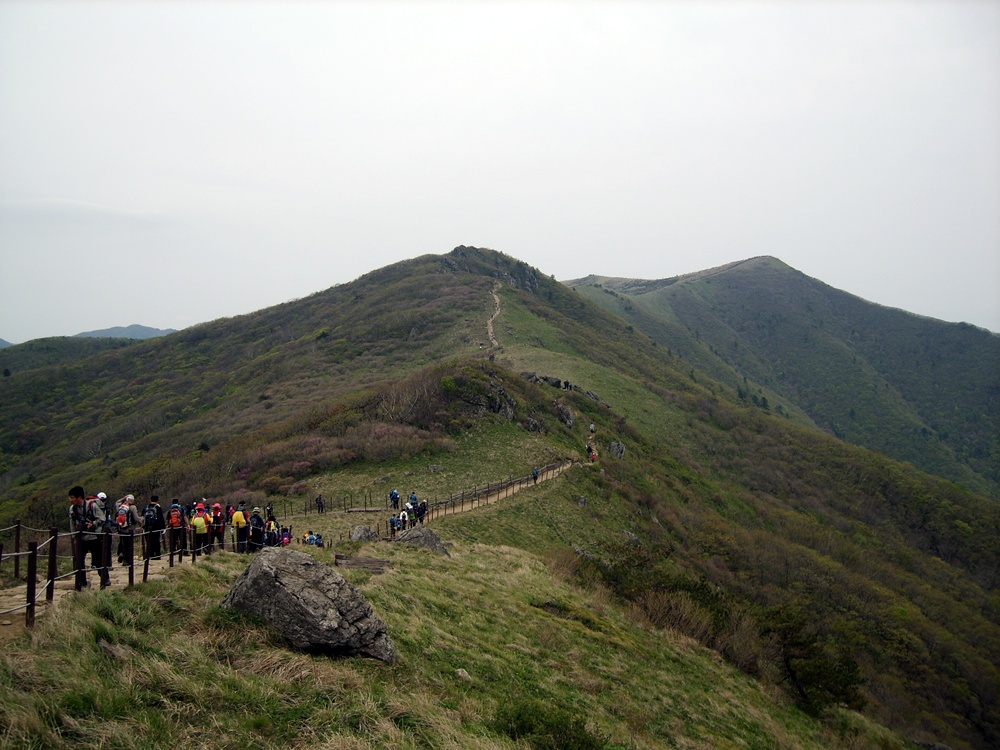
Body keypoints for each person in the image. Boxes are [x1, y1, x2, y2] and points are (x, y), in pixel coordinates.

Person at [68, 485, 111, 589]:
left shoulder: (91, 505)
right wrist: (74, 536)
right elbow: (72, 523)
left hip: (94, 537)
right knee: (79, 560)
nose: (70, 500)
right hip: (81, 538)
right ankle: (81, 582)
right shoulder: (72, 509)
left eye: (72, 497)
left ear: (79, 497)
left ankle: (105, 579)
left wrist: (93, 524)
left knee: (98, 560)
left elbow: (102, 518)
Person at [115, 494, 143, 565]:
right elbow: (136, 518)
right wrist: (142, 519)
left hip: (121, 529)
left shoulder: (121, 506)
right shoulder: (133, 507)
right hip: (129, 529)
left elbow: (116, 503)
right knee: (129, 545)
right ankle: (128, 561)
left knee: (122, 543)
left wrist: (123, 498)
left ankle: (122, 554)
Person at [143, 495, 165, 559]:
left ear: (150, 500)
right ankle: (157, 555)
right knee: (156, 541)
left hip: (147, 527)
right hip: (156, 527)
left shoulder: (146, 508)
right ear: (157, 500)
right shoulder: (158, 508)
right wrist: (163, 527)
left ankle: (151, 555)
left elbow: (143, 517)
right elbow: (161, 518)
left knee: (149, 541)